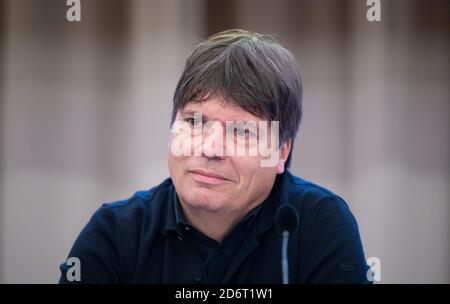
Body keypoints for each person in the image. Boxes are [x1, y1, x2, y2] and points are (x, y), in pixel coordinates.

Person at [59, 29, 370, 284]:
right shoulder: (115, 233)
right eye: (194, 122)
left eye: (242, 132)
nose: (210, 149)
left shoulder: (318, 225)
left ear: (281, 151)